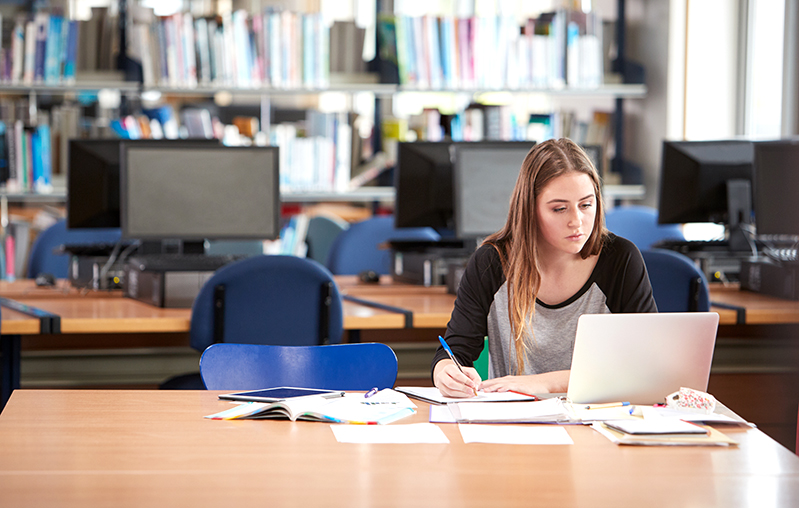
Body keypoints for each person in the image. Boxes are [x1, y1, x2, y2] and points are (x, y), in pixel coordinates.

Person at [432, 138, 657, 398]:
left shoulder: (620, 259)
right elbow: (455, 350)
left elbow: (646, 365)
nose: (577, 221)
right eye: (559, 209)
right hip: (515, 422)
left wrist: (545, 384)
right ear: (529, 209)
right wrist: (445, 371)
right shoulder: (492, 262)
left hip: (598, 419)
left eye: (586, 205)